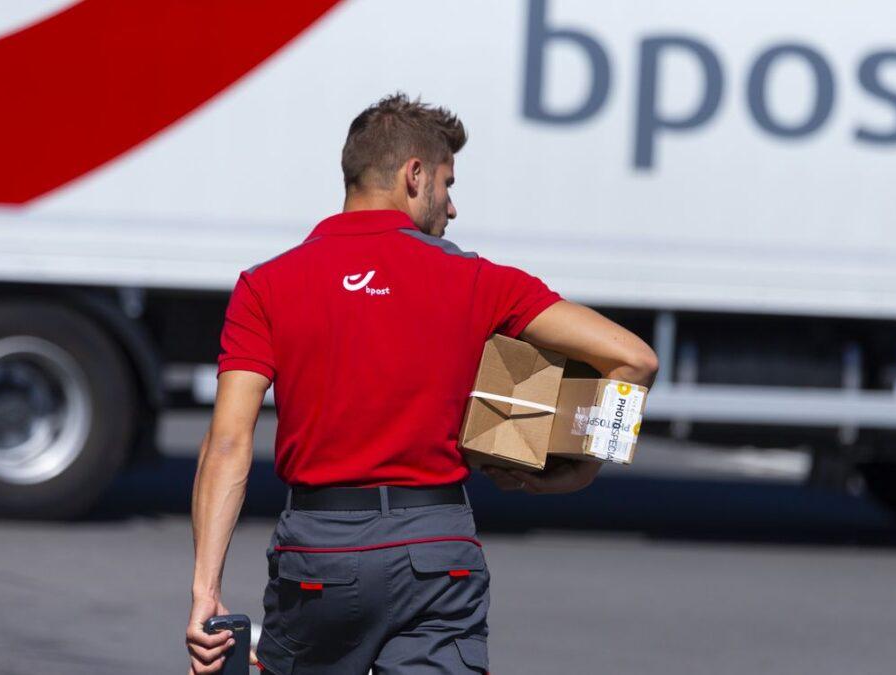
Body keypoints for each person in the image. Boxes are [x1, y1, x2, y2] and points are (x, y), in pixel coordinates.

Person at [185, 92, 658, 675]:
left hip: (320, 553)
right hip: (440, 553)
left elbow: (228, 445)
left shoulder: (266, 285)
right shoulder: (479, 280)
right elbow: (635, 360)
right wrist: (582, 467)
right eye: (447, 182)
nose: (452, 208)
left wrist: (205, 592)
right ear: (414, 176)